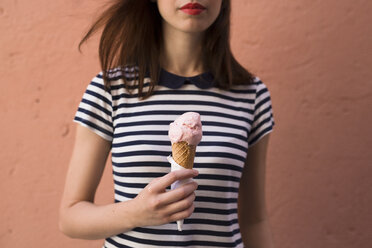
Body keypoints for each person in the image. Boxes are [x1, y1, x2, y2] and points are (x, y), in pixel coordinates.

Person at [59, 0, 275, 247]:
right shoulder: (110, 89)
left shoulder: (251, 94)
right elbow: (70, 217)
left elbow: (254, 220)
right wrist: (136, 212)